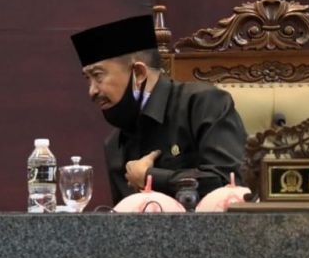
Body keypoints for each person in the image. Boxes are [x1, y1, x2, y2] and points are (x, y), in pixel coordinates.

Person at [70, 14, 246, 204]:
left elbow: (230, 183)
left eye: (98, 76)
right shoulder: (115, 145)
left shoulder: (203, 104)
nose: (92, 91)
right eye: (88, 79)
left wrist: (150, 177)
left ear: (139, 73)